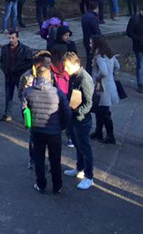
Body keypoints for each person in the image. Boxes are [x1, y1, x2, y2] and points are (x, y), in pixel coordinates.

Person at [22, 62, 71, 194]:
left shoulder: (28, 92)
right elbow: (66, 111)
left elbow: (25, 111)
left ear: (36, 77)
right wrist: (62, 126)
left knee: (39, 158)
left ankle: (41, 184)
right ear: (49, 77)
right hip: (54, 132)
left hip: (37, 131)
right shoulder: (58, 93)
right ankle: (57, 185)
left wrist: (28, 125)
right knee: (55, 159)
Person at [63, 51, 95, 190]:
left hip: (82, 119)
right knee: (77, 144)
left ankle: (89, 176)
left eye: (67, 66)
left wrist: (79, 114)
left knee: (85, 147)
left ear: (75, 64)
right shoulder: (74, 76)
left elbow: (89, 103)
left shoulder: (84, 79)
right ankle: (79, 168)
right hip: (74, 116)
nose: (65, 69)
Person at [0, 30, 34, 122]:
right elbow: (1, 60)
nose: (11, 40)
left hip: (20, 77)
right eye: (9, 38)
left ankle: (28, 118)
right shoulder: (5, 49)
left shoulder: (25, 49)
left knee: (24, 98)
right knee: (8, 96)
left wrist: (21, 71)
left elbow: (30, 63)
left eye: (13, 38)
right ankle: (7, 114)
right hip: (9, 76)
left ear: (17, 38)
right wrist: (4, 70)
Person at [91, 35, 120, 144]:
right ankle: (99, 132)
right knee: (101, 111)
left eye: (91, 43)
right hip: (110, 86)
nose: (90, 45)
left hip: (102, 88)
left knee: (104, 112)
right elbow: (117, 66)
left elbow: (103, 71)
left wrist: (97, 77)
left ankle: (109, 135)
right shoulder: (110, 55)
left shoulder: (99, 57)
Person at [126, 5, 143, 93]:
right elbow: (129, 32)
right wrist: (138, 39)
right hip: (139, 47)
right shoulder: (135, 19)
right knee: (140, 65)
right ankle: (140, 84)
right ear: (141, 11)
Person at [81, 2, 102, 73]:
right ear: (96, 8)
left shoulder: (84, 16)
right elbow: (96, 30)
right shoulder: (93, 18)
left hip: (86, 39)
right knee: (92, 59)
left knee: (89, 58)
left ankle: (88, 72)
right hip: (93, 41)